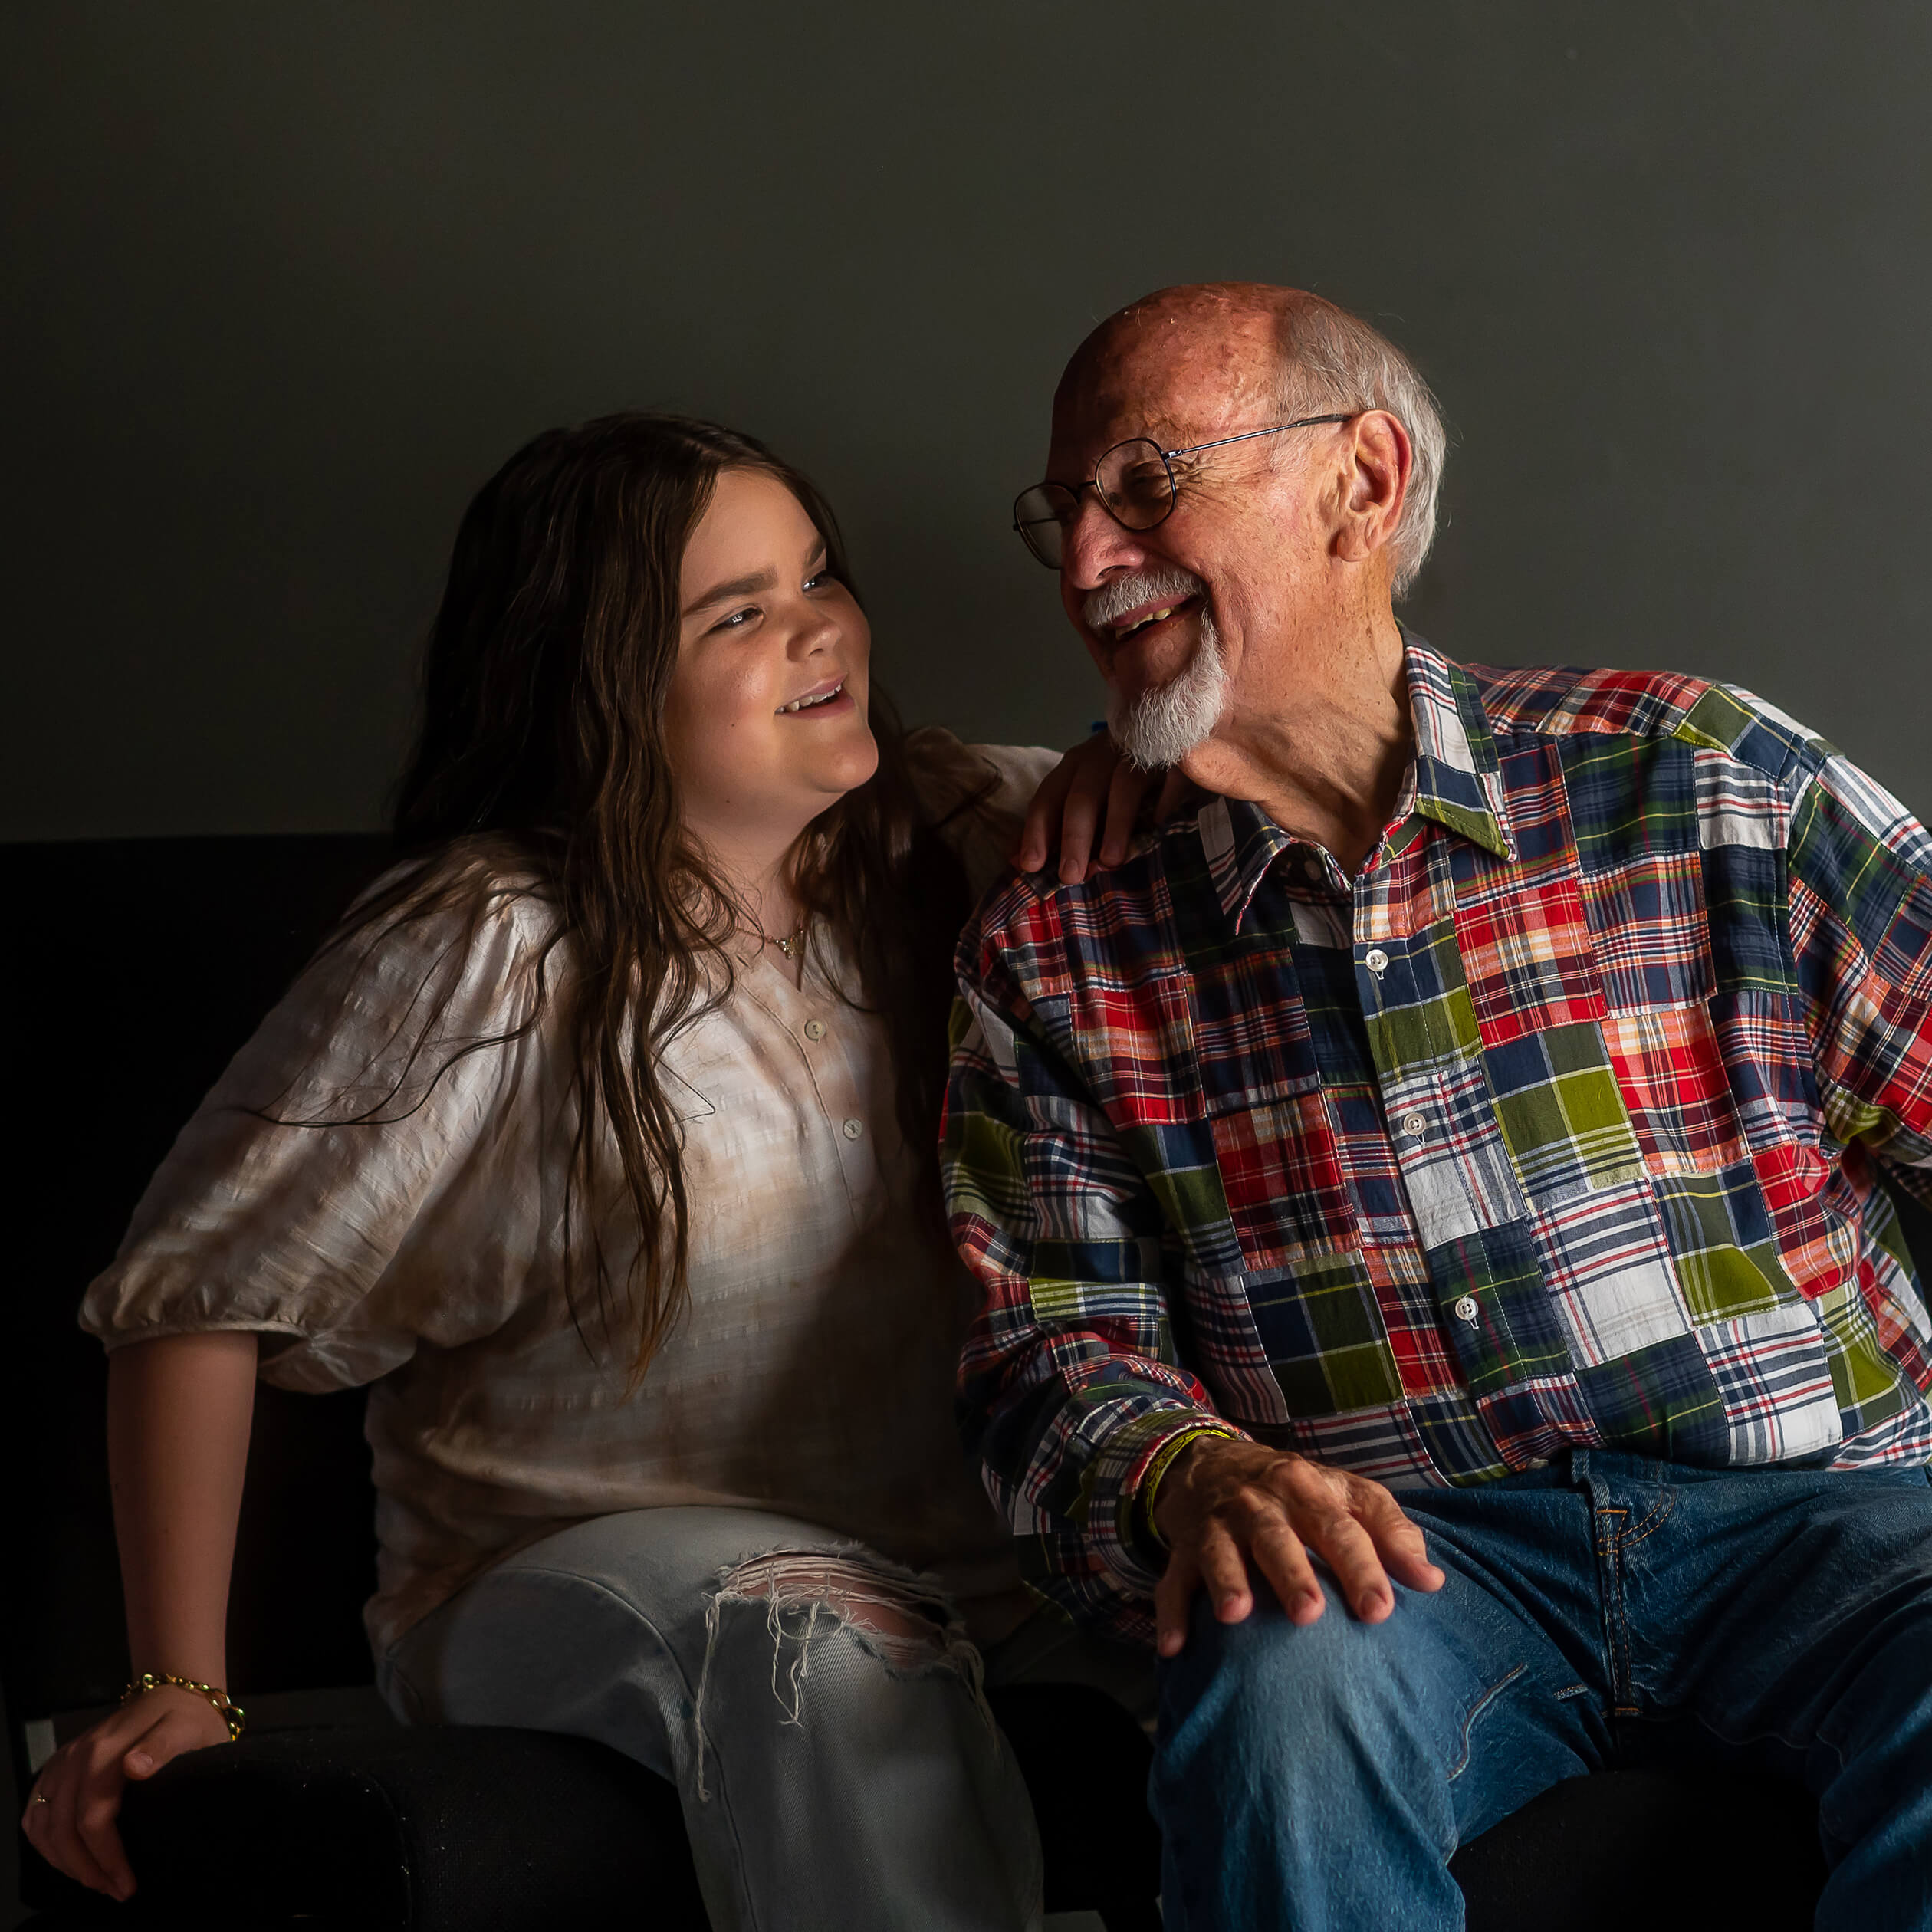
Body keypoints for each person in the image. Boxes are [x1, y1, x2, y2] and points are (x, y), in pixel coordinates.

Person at [23, 412, 1150, 1932]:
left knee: (1277, 1642)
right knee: (816, 1637)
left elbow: (1247, 782)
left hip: (978, 1589)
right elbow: (190, 1302)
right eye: (737, 613)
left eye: (818, 577)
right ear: (607, 678)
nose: (820, 629)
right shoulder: (490, 944)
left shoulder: (958, 832)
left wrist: (1132, 769)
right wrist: (178, 1684)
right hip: (557, 1586)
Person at [948, 282, 1932, 1930]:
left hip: (1829, 1518)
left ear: (1362, 482)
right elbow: (1045, 1352)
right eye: (1065, 513)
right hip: (1408, 1564)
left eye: (1145, 483)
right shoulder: (1058, 939)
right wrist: (1188, 1478)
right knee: (1276, 1697)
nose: (1087, 564)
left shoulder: (1699, 776)